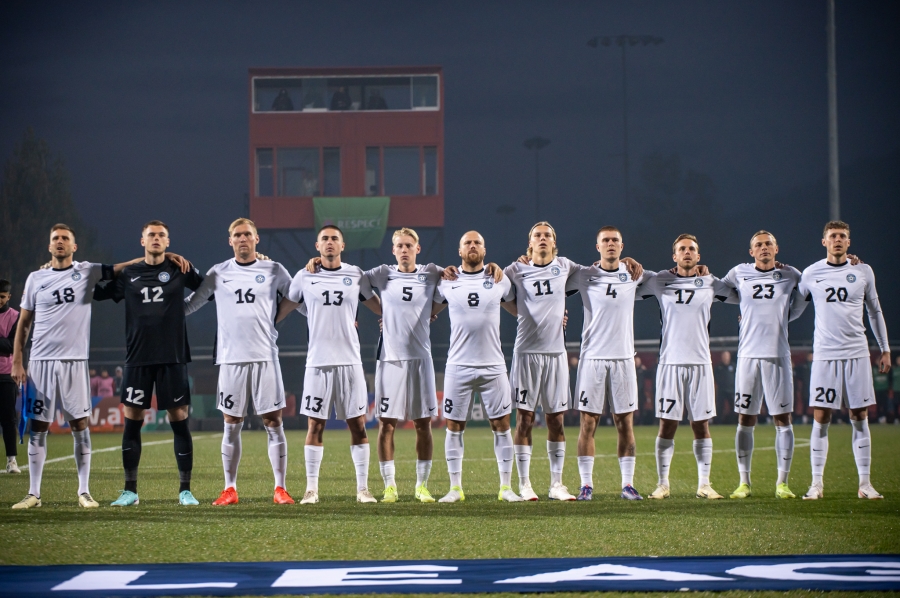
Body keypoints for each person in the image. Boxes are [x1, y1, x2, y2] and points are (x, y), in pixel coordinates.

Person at [9, 224, 138, 508]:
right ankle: (34, 494)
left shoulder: (87, 271)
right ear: (49, 245)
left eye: (65, 238)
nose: (60, 242)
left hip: (75, 361)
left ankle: (84, 492)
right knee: (38, 426)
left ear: (74, 247)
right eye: (55, 238)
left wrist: (163, 256)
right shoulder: (35, 278)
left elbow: (123, 267)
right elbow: (24, 323)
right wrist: (18, 360)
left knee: (80, 425)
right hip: (41, 361)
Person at [184, 218, 295, 506]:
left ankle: (280, 488)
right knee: (231, 423)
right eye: (237, 235)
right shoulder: (218, 272)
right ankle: (229, 489)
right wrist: (160, 310)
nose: (243, 238)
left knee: (273, 421)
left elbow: (299, 299)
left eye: (247, 234)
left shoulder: (273, 269)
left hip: (265, 357)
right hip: (231, 359)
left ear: (257, 239)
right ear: (230, 241)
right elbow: (192, 303)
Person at [93, 220, 202, 507]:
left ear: (168, 241)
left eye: (161, 235)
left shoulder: (180, 269)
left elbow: (213, 287)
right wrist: (57, 275)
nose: (156, 238)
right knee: (132, 424)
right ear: (142, 241)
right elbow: (93, 290)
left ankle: (185, 491)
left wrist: (186, 308)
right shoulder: (129, 273)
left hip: (173, 357)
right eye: (151, 235)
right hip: (138, 359)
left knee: (179, 422)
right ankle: (130, 491)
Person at [278, 225, 382, 504]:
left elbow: (378, 305)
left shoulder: (356, 275)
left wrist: (392, 318)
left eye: (334, 238)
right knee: (315, 426)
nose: (330, 243)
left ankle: (363, 489)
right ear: (317, 246)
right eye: (325, 239)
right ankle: (311, 490)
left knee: (358, 425)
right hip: (318, 364)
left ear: (342, 245)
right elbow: (282, 309)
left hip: (350, 362)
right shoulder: (305, 276)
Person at [795, 220, 890, 500]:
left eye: (843, 236)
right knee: (821, 417)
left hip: (857, 353)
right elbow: (794, 308)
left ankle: (865, 484)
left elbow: (875, 311)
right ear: (824, 241)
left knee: (859, 416)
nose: (838, 240)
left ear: (849, 242)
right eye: (833, 236)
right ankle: (816, 484)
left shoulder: (862, 271)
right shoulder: (811, 273)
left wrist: (884, 349)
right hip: (825, 355)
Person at [639, 234, 734, 500]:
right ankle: (663, 484)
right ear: (674, 256)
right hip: (670, 363)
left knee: (701, 425)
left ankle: (704, 484)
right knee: (667, 425)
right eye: (682, 249)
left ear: (699, 256)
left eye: (692, 248)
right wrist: (627, 260)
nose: (687, 252)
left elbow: (744, 295)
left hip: (701, 364)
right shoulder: (659, 280)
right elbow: (628, 283)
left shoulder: (711, 282)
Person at [431, 231, 520, 503]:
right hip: (458, 365)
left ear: (484, 249)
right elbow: (427, 311)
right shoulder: (446, 281)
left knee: (502, 426)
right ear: (459, 251)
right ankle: (455, 488)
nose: (472, 246)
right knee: (454, 427)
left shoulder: (499, 279)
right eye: (467, 243)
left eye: (477, 242)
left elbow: (521, 308)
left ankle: (505, 487)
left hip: (493, 365)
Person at [565, 225, 649, 501]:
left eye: (615, 240)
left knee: (625, 423)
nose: (610, 244)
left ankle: (627, 485)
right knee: (588, 424)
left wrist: (700, 269)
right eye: (605, 241)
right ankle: (586, 485)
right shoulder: (584, 275)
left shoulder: (634, 274)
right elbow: (548, 274)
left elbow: (671, 280)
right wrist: (524, 259)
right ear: (597, 247)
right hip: (592, 359)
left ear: (622, 247)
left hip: (624, 359)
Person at [719, 230, 804, 500]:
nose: (764, 248)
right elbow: (720, 290)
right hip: (747, 357)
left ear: (776, 249)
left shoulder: (791, 274)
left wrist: (784, 318)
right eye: (758, 245)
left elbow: (802, 300)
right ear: (751, 251)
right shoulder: (738, 272)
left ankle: (783, 483)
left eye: (768, 244)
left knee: (783, 419)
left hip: (778, 355)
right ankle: (744, 482)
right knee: (745, 418)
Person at [0, 279, 20, 474]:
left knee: (8, 419)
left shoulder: (15, 316)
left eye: (2, 297)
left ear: (9, 297)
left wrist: (5, 344)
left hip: (7, 374)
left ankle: (11, 461)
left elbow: (13, 345)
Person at [714, 351, 735, 423]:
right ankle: (718, 422)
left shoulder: (733, 366)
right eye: (724, 356)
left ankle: (732, 422)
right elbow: (715, 377)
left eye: (727, 356)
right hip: (721, 390)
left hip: (732, 390)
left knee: (733, 407)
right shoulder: (718, 367)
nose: (725, 358)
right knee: (719, 407)